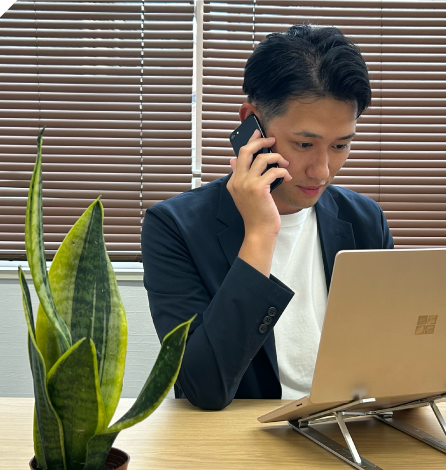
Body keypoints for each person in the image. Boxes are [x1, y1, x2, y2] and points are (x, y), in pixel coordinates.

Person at [141, 24, 393, 411]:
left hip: (348, 425)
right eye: (304, 144)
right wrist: (260, 233)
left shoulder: (365, 219)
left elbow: (391, 359)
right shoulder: (175, 227)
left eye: (341, 145)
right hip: (243, 434)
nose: (322, 170)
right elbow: (204, 388)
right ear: (252, 124)